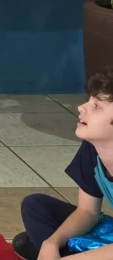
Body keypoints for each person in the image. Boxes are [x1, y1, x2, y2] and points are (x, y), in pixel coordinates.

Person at [14, 67, 113, 259]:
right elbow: (87, 212)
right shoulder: (92, 148)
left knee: (28, 242)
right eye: (89, 100)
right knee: (36, 206)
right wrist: (52, 242)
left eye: (97, 106)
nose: (81, 107)